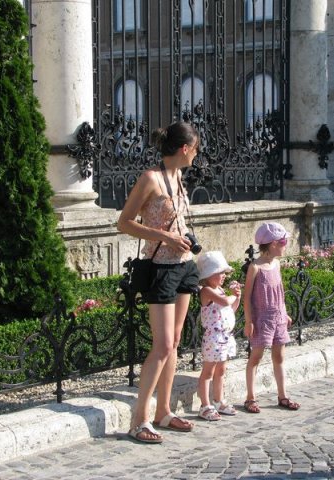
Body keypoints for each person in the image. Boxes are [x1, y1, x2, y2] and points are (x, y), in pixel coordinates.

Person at [117, 120, 200, 444]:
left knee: (175, 341)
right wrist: (165, 236)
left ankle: (164, 411)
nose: (196, 155)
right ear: (185, 148)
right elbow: (124, 222)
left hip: (184, 265)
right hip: (160, 268)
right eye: (195, 149)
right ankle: (139, 420)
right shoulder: (150, 178)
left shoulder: (178, 177)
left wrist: (183, 238)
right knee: (163, 345)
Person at [242, 222, 301, 413]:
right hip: (262, 319)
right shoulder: (255, 267)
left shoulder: (276, 264)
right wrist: (249, 321)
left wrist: (284, 312)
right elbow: (247, 297)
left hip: (278, 318)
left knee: (279, 356)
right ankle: (250, 397)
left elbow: (279, 292)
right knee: (256, 357)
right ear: (274, 243)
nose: (286, 245)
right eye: (284, 242)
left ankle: (283, 395)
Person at [195, 251, 241, 421]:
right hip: (213, 338)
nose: (224, 276)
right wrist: (232, 295)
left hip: (225, 337)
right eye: (220, 273)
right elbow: (225, 302)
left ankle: (218, 400)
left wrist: (237, 296)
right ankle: (205, 405)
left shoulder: (220, 290)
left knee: (221, 370)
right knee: (208, 371)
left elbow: (231, 308)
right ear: (209, 275)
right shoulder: (206, 291)